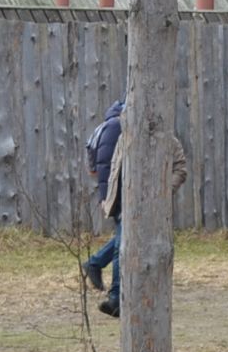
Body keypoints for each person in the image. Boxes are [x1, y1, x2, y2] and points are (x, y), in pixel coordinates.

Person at [97, 118, 188, 319]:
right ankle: (116, 298)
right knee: (121, 249)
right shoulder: (125, 138)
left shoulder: (168, 140)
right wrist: (110, 198)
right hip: (126, 205)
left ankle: (140, 295)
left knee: (151, 251)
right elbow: (114, 169)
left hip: (154, 207)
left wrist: (163, 192)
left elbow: (181, 169)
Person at [81, 99, 124, 308]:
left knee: (123, 237)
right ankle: (116, 296)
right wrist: (110, 198)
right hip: (121, 193)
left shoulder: (111, 124)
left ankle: (95, 263)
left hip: (119, 192)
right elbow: (106, 166)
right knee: (123, 243)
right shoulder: (117, 126)